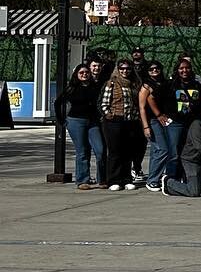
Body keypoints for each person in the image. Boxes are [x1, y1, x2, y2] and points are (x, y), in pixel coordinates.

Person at [138, 60, 181, 192]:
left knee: (157, 151)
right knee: (163, 149)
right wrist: (145, 126)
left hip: (165, 119)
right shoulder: (146, 86)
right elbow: (142, 107)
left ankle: (156, 178)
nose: (154, 71)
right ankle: (152, 180)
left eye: (157, 68)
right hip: (153, 121)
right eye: (151, 69)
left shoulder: (164, 83)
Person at [100, 59, 141, 190]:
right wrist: (109, 115)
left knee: (128, 151)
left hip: (130, 121)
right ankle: (113, 180)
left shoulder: (134, 83)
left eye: (128, 68)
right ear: (118, 69)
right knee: (114, 151)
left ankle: (126, 178)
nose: (125, 71)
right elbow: (104, 102)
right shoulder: (111, 83)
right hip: (114, 122)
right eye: (122, 68)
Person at [62, 63, 104, 190]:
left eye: (86, 72)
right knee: (82, 151)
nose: (84, 75)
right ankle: (82, 180)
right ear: (77, 75)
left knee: (100, 150)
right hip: (76, 121)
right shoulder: (72, 88)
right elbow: (58, 103)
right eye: (81, 73)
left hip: (93, 122)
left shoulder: (95, 87)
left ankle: (102, 179)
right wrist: (61, 120)